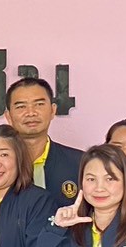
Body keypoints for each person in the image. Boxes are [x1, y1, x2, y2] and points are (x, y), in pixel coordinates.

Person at [6, 76, 83, 207]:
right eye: (21, 107)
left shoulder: (80, 162)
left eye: (39, 104)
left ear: (53, 110)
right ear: (8, 116)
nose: (31, 113)